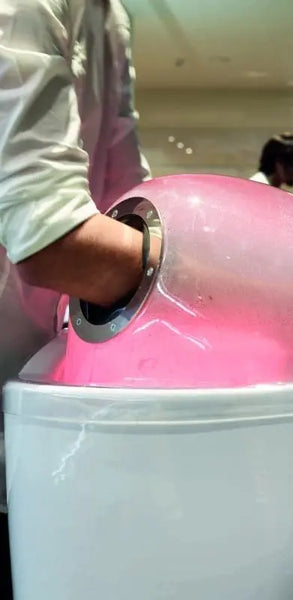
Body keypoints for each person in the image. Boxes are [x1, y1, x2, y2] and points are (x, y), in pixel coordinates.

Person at [0, 1, 156, 596]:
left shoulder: (110, 13)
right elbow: (52, 241)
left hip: (33, 405)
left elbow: (128, 199)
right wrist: (235, 279)